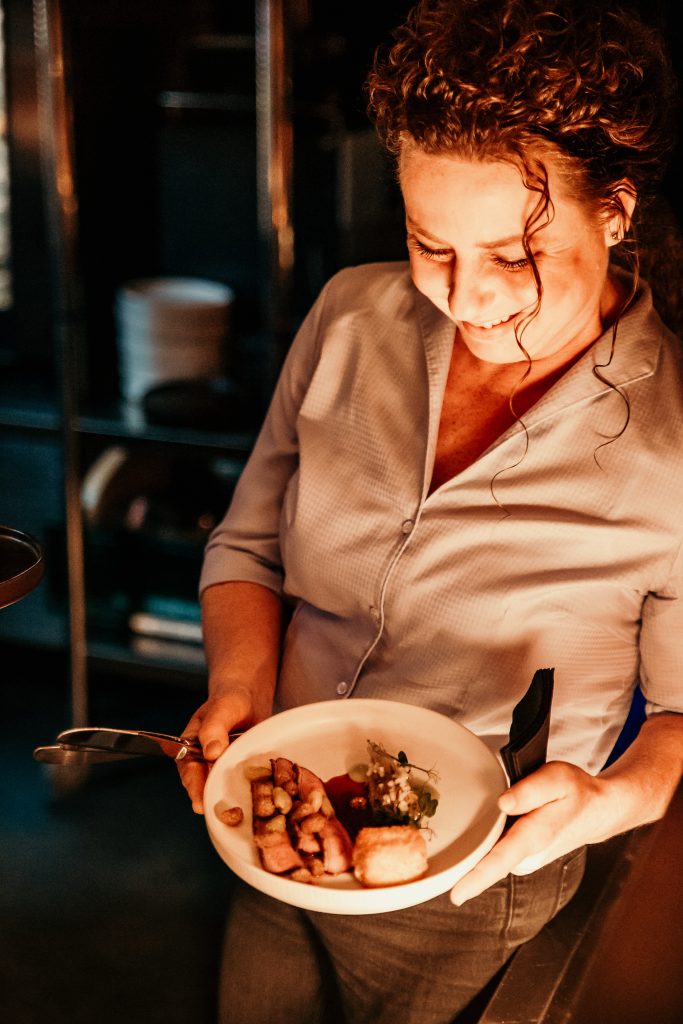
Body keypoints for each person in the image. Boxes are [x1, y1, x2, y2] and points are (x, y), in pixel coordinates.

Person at [179, 1, 683, 1021]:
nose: (466, 296)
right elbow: (246, 544)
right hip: (278, 805)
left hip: (468, 885)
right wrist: (237, 691)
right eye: (429, 245)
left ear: (613, 213)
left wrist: (607, 800)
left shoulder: (669, 449)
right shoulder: (346, 318)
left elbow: (679, 717)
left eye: (510, 255)